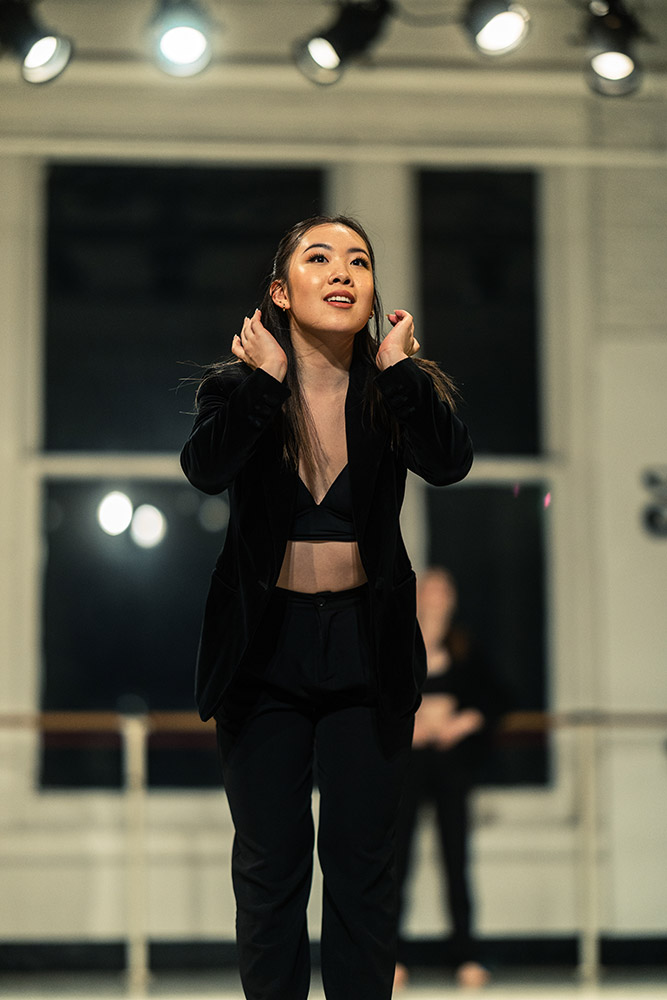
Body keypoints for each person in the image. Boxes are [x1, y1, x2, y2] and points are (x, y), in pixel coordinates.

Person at [180, 215, 473, 1000]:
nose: (343, 271)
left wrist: (401, 370)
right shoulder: (238, 389)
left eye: (359, 261)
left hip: (366, 645)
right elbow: (204, 470)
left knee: (361, 868)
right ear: (280, 292)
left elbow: (449, 463)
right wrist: (267, 381)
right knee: (270, 867)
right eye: (319, 258)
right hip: (263, 645)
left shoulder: (392, 390)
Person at [393, 567, 507, 991]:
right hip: (408, 765)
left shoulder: (464, 647)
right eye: (429, 589)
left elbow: (496, 697)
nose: (436, 597)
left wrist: (461, 723)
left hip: (450, 765)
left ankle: (465, 953)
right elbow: (377, 699)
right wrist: (409, 726)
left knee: (456, 858)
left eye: (443, 590)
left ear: (453, 598)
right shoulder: (398, 644)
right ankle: (390, 955)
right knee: (397, 859)